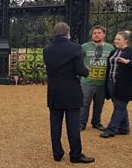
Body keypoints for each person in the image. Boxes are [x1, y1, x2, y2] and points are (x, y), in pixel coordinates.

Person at [43, 22, 94, 164]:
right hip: (71, 91)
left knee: (55, 124)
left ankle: (57, 154)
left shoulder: (47, 49)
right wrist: (86, 70)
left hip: (54, 92)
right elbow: (79, 70)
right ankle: (75, 155)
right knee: (73, 125)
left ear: (55, 33)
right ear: (68, 33)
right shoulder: (75, 48)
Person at [100, 31, 132, 138]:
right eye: (115, 39)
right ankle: (124, 129)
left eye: (119, 39)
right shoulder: (114, 52)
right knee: (119, 106)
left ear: (126, 40)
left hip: (124, 86)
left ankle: (111, 130)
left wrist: (128, 62)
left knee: (119, 107)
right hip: (112, 84)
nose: (116, 41)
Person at [79, 26, 115, 131]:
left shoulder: (110, 48)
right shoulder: (84, 47)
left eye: (99, 33)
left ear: (104, 34)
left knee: (99, 104)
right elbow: (78, 61)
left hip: (102, 82)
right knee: (84, 104)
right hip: (87, 81)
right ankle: (81, 123)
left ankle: (96, 122)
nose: (96, 34)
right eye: (94, 33)